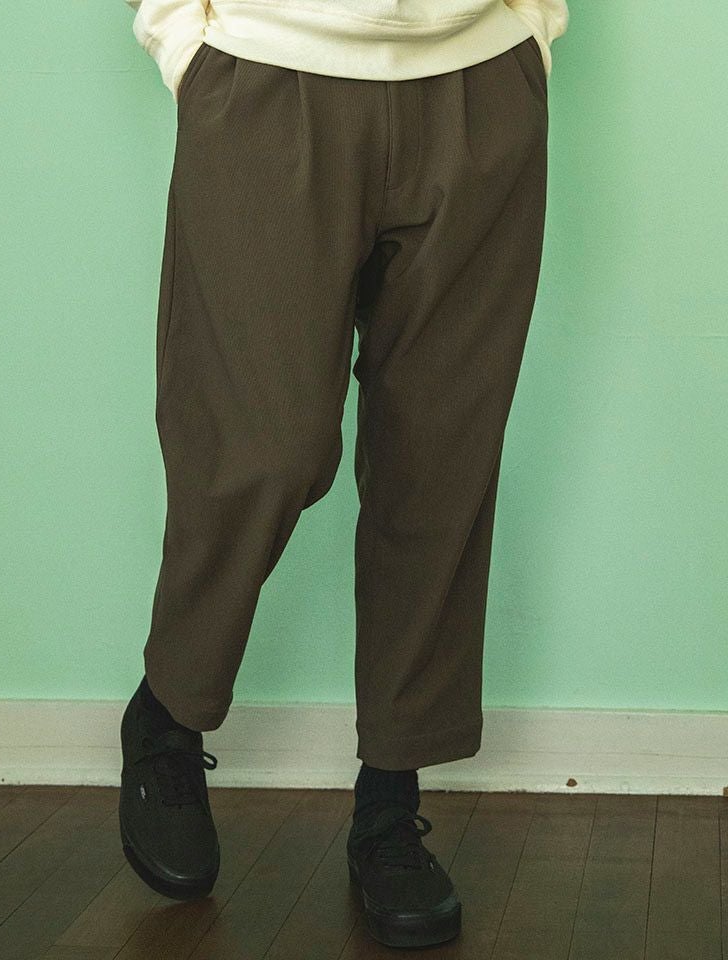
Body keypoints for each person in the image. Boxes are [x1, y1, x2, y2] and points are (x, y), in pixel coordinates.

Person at [118, 0, 569, 948]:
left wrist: (531, 29)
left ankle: (390, 801)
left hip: (478, 78)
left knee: (440, 462)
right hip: (266, 74)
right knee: (261, 445)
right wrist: (179, 36)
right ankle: (170, 708)